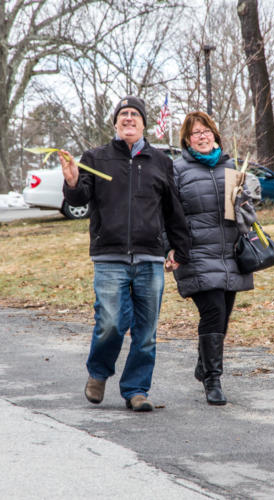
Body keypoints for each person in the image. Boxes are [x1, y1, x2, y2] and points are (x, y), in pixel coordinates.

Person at [58, 96, 190, 412]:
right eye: (123, 114)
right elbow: (81, 196)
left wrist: (179, 248)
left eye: (134, 114)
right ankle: (99, 372)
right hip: (109, 256)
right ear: (116, 123)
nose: (129, 118)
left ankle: (136, 390)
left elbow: (173, 210)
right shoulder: (96, 157)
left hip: (149, 257)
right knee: (111, 323)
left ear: (144, 123)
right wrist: (73, 180)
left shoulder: (161, 161)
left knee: (146, 331)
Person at [166, 111, 255, 406]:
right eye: (195, 133)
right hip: (194, 252)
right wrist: (170, 248)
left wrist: (246, 201)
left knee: (223, 315)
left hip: (230, 252)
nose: (202, 136)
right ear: (187, 140)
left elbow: (245, 214)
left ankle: (204, 364)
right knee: (213, 310)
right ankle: (213, 380)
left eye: (206, 131)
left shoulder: (231, 166)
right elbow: (167, 212)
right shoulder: (177, 169)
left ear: (215, 135)